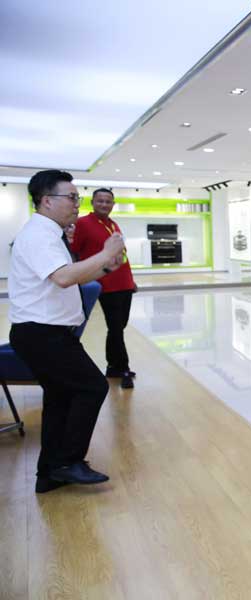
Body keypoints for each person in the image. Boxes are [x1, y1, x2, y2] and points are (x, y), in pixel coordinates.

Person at [9, 170, 125, 493]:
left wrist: (105, 266)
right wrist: (104, 253)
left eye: (77, 197)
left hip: (46, 333)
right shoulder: (39, 235)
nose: (77, 204)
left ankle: (49, 473)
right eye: (72, 197)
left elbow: (70, 276)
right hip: (42, 334)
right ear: (47, 201)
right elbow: (63, 278)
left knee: (60, 398)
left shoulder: (49, 233)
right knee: (92, 387)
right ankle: (68, 461)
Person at [70, 188, 137, 389]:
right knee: (116, 327)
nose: (104, 204)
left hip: (124, 282)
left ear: (113, 204)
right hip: (105, 283)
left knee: (119, 327)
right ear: (92, 202)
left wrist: (131, 281)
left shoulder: (113, 224)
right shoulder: (83, 223)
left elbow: (122, 254)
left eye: (108, 201)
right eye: (100, 201)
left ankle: (113, 366)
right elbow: (74, 252)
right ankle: (123, 368)